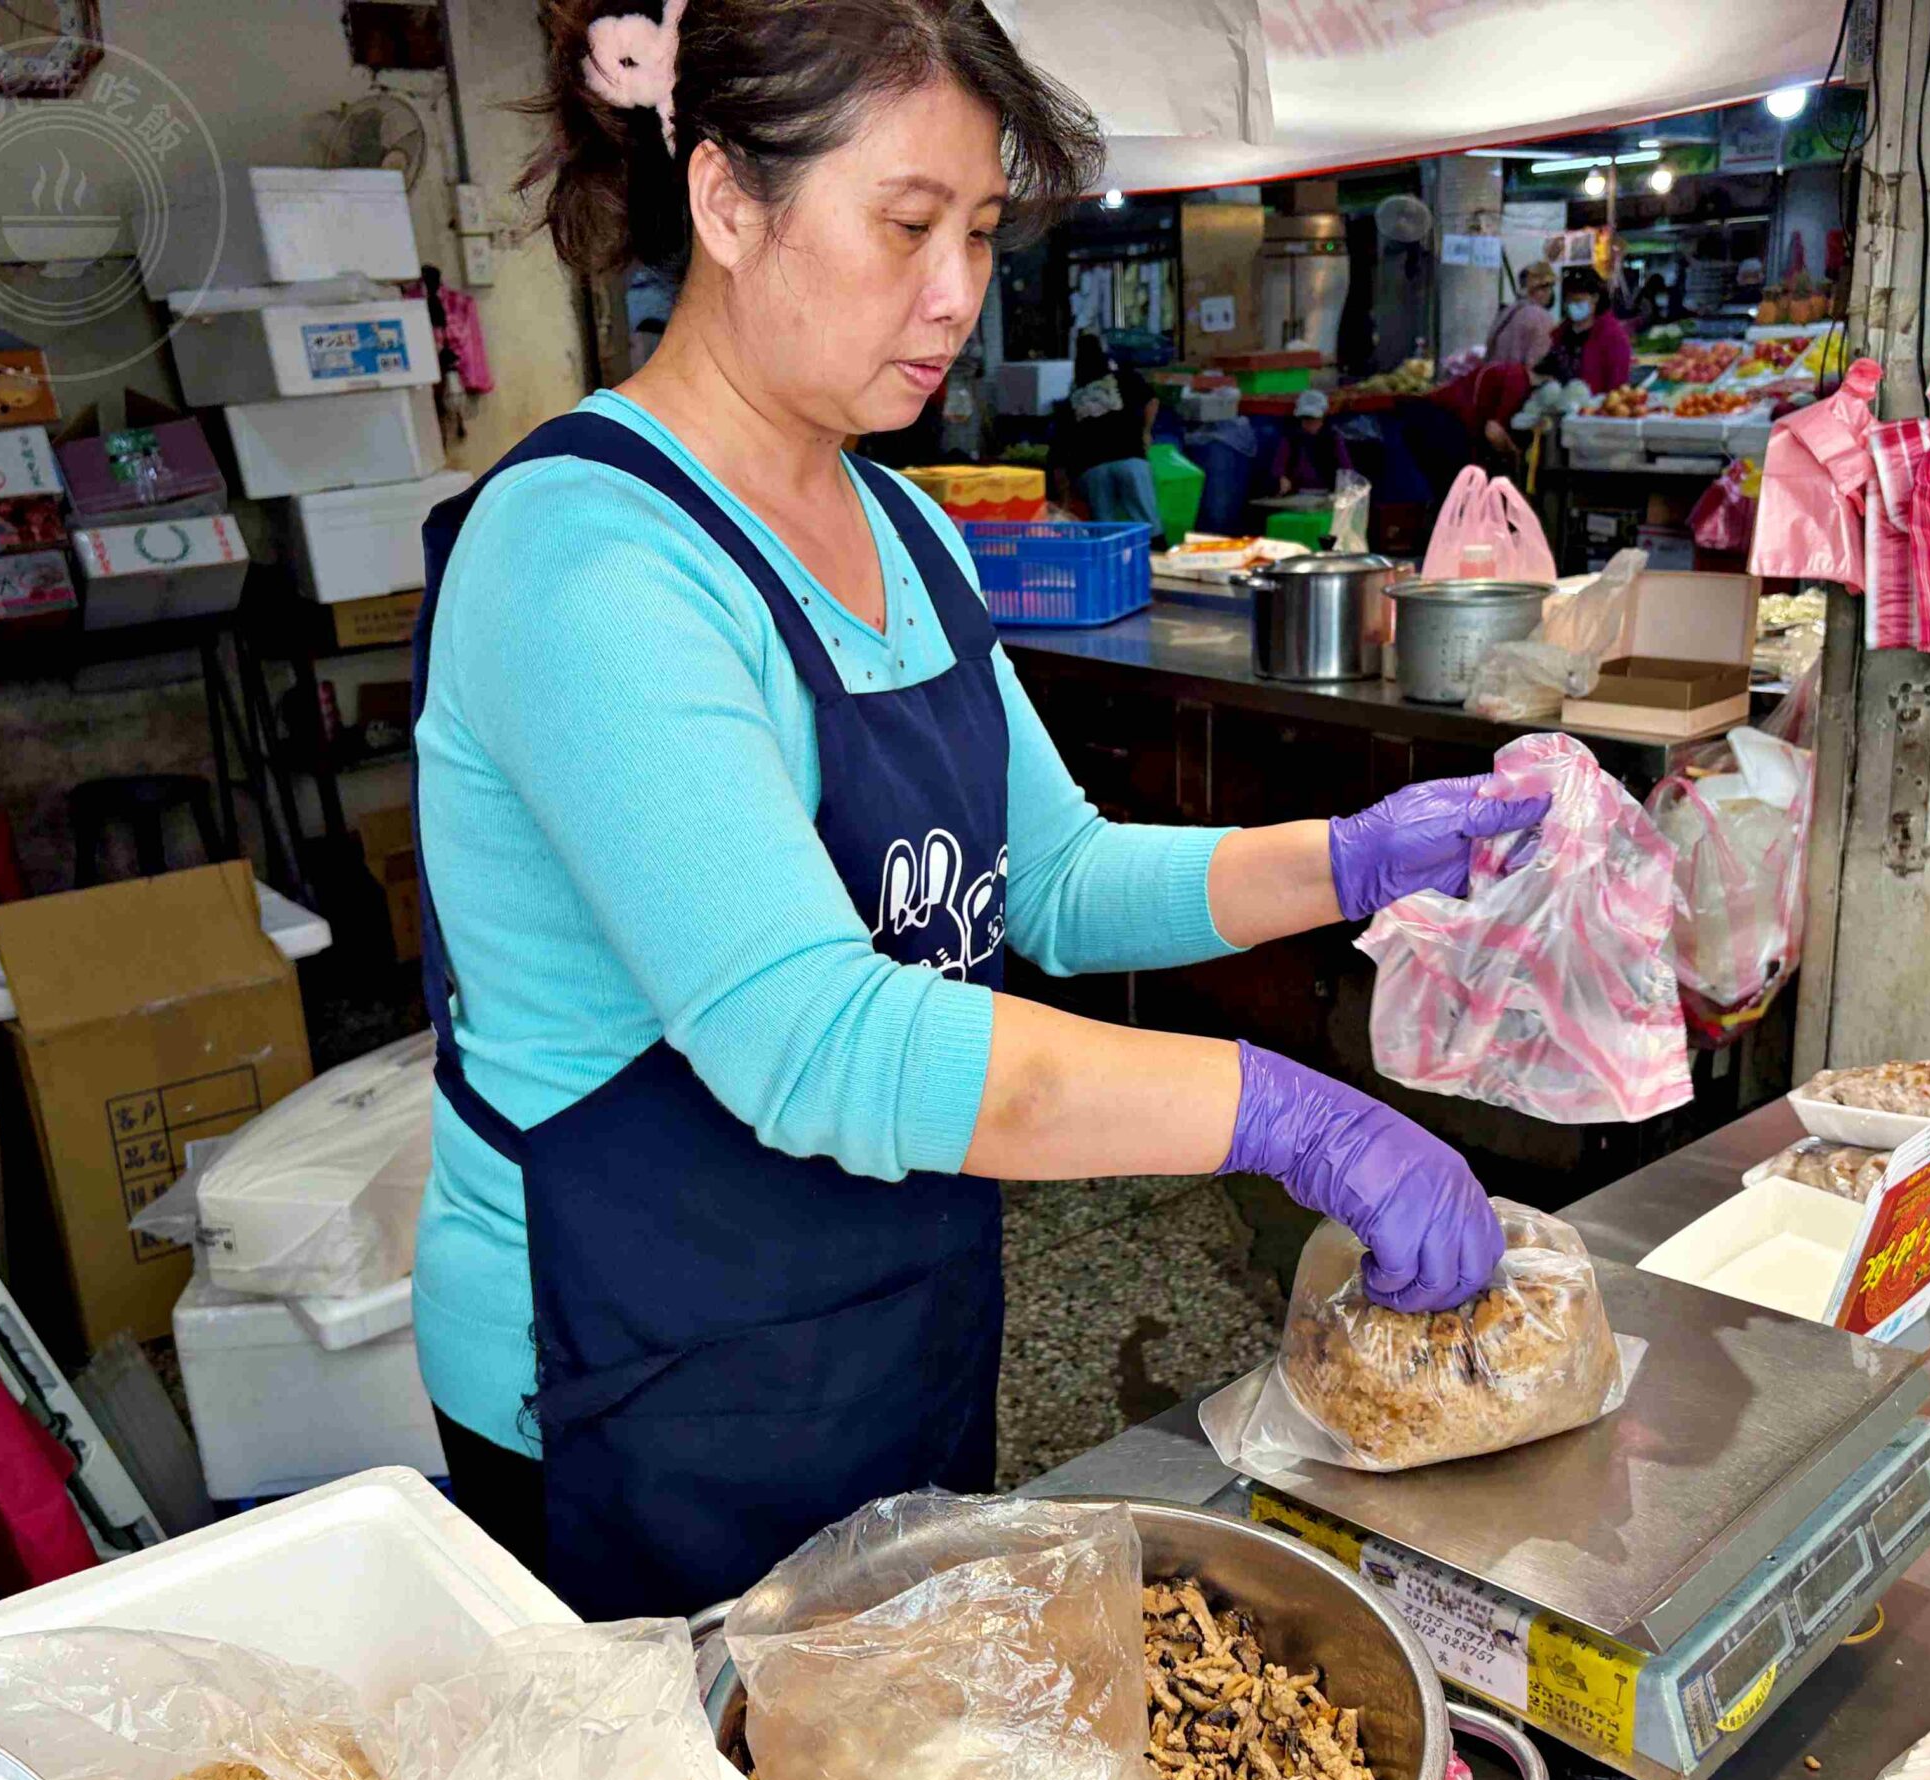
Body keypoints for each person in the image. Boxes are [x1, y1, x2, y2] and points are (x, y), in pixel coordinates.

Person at [412, 0, 1550, 1620]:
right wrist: (1288, 1115)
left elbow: (1056, 880)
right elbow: (816, 1040)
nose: (955, 296)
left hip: (882, 1306)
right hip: (629, 1371)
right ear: (728, 202)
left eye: (981, 231)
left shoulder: (905, 530)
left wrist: (1354, 861)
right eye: (905, 226)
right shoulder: (589, 564)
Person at [1052, 330, 1161, 532]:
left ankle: (1110, 563)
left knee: (1105, 531)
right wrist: (1146, 431)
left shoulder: (1072, 399)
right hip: (1130, 460)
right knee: (1148, 525)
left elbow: (1059, 455)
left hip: (1093, 470)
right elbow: (1152, 400)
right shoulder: (1125, 377)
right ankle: (1157, 559)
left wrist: (1065, 500)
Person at [1539, 267, 1635, 396]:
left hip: (1594, 410)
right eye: (1569, 301)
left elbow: (1618, 385)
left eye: (1578, 301)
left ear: (1595, 297)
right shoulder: (1560, 333)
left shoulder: (1613, 336)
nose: (1572, 305)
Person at [1270, 385, 1354, 495]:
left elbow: (1346, 469)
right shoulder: (1291, 439)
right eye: (1305, 419)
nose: (1309, 423)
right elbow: (1278, 467)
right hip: (1298, 494)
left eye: (1313, 419)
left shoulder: (1333, 439)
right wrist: (1281, 478)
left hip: (1328, 494)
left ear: (1322, 418)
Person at [1480, 260, 1558, 373]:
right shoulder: (1541, 318)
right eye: (1548, 287)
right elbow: (1538, 364)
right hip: (1518, 384)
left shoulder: (1507, 311)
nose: (1550, 292)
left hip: (1496, 381)